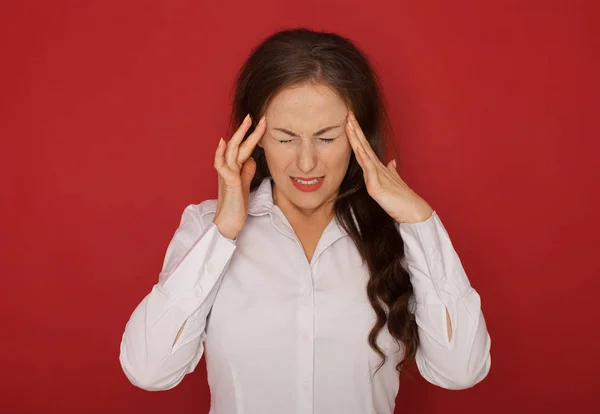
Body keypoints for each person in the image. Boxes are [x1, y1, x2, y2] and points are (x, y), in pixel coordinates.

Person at [119, 28, 491, 413]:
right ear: (255, 136)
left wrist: (420, 221)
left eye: (327, 138)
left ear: (356, 135)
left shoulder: (401, 236)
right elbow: (149, 370)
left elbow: (460, 370)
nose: (307, 162)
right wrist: (223, 231)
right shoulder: (205, 228)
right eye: (285, 137)